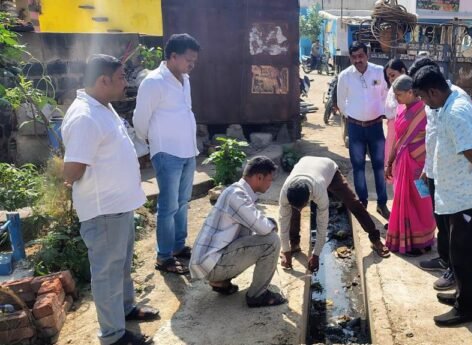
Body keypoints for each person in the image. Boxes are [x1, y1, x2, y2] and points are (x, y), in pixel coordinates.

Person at [62, 54, 155, 345]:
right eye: (121, 77)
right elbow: (72, 170)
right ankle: (113, 335)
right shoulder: (84, 116)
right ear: (104, 80)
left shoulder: (103, 107)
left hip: (119, 207)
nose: (126, 82)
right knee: (107, 273)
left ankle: (125, 309)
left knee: (122, 266)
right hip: (103, 212)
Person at [412, 65, 472, 327]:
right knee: (458, 250)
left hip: (470, 198)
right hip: (457, 193)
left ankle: (466, 308)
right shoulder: (447, 103)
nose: (424, 103)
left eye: (424, 97)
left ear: (433, 91)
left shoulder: (456, 111)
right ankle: (463, 296)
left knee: (464, 253)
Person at [134, 33, 201, 275]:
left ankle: (178, 246)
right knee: (168, 206)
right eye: (188, 60)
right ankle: (163, 257)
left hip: (187, 151)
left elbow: (186, 111)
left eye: (194, 61)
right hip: (166, 153)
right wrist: (150, 143)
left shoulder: (185, 79)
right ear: (173, 56)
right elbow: (140, 119)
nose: (192, 65)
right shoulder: (153, 82)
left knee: (183, 202)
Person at [407, 57, 472, 291]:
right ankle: (445, 259)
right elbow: (432, 136)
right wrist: (427, 168)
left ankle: (455, 271)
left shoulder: (456, 101)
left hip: (452, 176)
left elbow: (466, 146)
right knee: (441, 222)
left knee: (454, 228)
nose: (420, 98)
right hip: (435, 170)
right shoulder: (432, 100)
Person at [189, 157, 287, 308]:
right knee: (272, 241)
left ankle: (220, 282)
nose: (270, 184)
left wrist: (268, 224)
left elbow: (255, 227)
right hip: (210, 264)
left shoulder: (238, 192)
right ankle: (257, 295)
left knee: (258, 233)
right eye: (269, 180)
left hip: (208, 262)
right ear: (258, 177)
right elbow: (264, 228)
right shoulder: (237, 195)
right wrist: (272, 224)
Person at [279, 156, 390, 271]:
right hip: (305, 164)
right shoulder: (285, 192)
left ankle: (375, 239)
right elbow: (283, 220)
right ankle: (294, 244)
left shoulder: (319, 189)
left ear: (310, 196)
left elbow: (322, 224)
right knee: (292, 213)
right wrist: (285, 250)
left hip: (329, 170)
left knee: (353, 202)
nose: (300, 209)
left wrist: (316, 254)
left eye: (302, 206)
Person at [336, 41, 390, 219]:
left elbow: (385, 94)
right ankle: (363, 202)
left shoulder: (378, 71)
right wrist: (352, 115)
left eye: (361, 56)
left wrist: (381, 113)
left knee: (379, 167)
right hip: (355, 128)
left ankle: (382, 204)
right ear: (350, 57)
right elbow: (340, 101)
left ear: (367, 55)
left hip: (375, 127)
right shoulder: (345, 76)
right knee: (358, 167)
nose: (358, 60)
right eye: (354, 57)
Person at [383, 75, 436, 256]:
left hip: (420, 165)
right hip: (402, 163)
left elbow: (432, 140)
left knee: (423, 201)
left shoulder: (426, 111)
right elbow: (398, 139)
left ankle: (425, 240)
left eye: (399, 95)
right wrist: (389, 162)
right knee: (404, 200)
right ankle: (409, 242)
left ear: (411, 92)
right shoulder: (400, 110)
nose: (397, 99)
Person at [383, 59, 408, 174]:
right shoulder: (392, 91)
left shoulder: (410, 90)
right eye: (389, 77)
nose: (391, 79)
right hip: (393, 132)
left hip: (405, 133)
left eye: (393, 75)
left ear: (402, 71)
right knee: (393, 169)